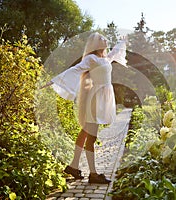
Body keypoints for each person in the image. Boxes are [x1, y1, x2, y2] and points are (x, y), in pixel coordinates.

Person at [41, 32, 127, 184]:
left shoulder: (105, 58)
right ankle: (93, 174)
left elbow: (115, 52)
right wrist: (53, 81)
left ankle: (74, 166)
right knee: (91, 135)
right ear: (95, 44)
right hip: (95, 99)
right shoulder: (91, 58)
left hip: (102, 98)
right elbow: (74, 70)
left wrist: (122, 41)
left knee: (86, 131)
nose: (105, 39)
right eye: (101, 38)